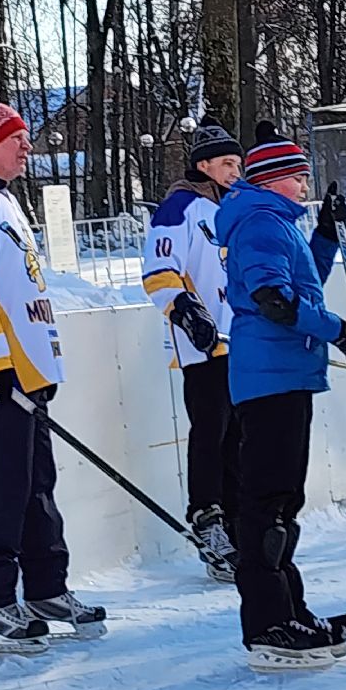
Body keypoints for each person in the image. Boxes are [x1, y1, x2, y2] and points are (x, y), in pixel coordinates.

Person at [0, 92, 106, 654]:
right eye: (17, 139)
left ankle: (46, 588)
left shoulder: (5, 202)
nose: (28, 147)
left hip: (22, 374)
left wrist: (41, 365)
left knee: (38, 486)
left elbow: (23, 290)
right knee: (1, 488)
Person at [215, 121, 346, 671]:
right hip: (269, 377)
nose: (306, 185)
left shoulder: (274, 224)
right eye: (299, 176)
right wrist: (339, 331)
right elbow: (274, 302)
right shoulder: (259, 223)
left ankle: (289, 607)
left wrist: (325, 234)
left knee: (283, 501)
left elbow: (303, 285)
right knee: (267, 503)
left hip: (285, 375)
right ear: (276, 179)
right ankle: (267, 623)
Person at [141, 116, 243, 583]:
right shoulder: (178, 208)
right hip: (203, 346)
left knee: (240, 436)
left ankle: (240, 519)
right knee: (211, 431)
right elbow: (160, 271)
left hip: (238, 342)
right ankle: (208, 519)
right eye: (226, 162)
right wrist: (186, 311)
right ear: (203, 164)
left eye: (237, 161)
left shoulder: (231, 207)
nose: (234, 170)